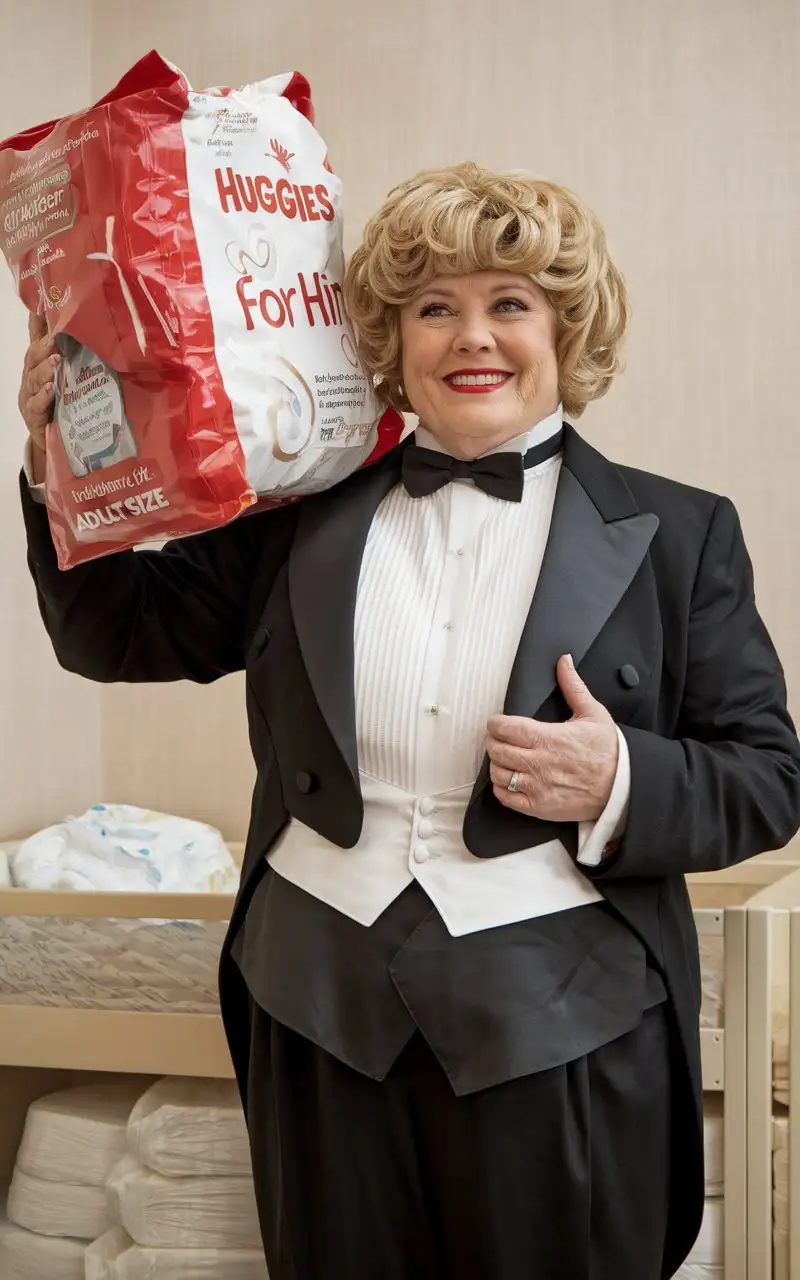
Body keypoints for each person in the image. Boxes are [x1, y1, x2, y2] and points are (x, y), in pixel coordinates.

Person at [18, 163, 800, 1280]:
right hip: (317, 1005)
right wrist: (63, 457)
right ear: (391, 336)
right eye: (433, 306)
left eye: (508, 303)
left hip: (562, 1020)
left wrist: (618, 775)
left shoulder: (679, 534)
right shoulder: (289, 514)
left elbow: (767, 775)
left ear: (564, 327)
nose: (469, 336)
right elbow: (116, 631)